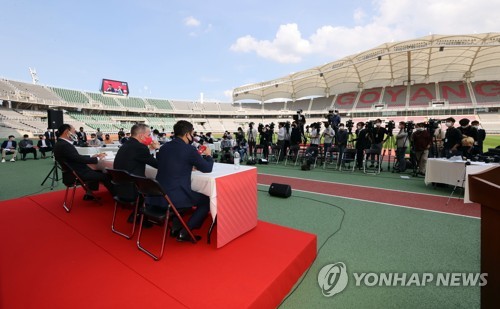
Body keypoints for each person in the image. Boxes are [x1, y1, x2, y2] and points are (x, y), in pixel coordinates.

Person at [152, 120, 213, 242]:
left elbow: (170, 163)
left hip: (158, 194)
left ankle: (176, 226)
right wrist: (208, 155)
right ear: (187, 135)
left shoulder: (164, 147)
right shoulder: (189, 149)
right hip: (175, 196)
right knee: (206, 200)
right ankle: (186, 232)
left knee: (178, 191)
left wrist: (187, 165)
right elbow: (207, 168)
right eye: (192, 134)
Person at [114, 123, 160, 225]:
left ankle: (135, 215)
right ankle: (143, 215)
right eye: (148, 135)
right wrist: (157, 149)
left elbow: (141, 156)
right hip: (133, 189)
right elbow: (158, 164)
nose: (150, 138)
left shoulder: (127, 144)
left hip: (120, 187)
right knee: (160, 186)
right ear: (141, 136)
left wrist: (151, 150)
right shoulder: (140, 148)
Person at [54, 124, 113, 200]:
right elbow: (79, 159)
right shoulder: (65, 145)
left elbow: (74, 157)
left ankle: (89, 194)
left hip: (71, 173)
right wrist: (98, 159)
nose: (75, 132)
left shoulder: (60, 143)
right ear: (67, 132)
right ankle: (117, 196)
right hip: (78, 173)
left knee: (96, 170)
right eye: (74, 131)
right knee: (106, 175)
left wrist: (92, 157)